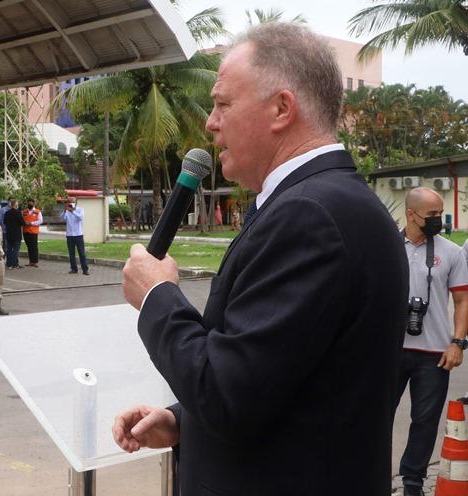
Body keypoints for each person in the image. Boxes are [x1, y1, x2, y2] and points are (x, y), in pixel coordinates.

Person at [114, 23, 409, 495]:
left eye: (223, 103)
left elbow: (227, 394)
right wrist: (181, 421)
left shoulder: (309, 216)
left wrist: (157, 297)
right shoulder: (326, 203)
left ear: (281, 109)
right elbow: (282, 377)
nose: (211, 122)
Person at [396, 187, 468, 495]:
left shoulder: (452, 252)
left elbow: (463, 300)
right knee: (375, 416)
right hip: (391, 350)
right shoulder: (388, 247)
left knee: (425, 422)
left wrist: (457, 342)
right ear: (411, 215)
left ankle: (413, 483)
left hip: (435, 353)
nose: (440, 219)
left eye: (440, 213)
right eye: (433, 215)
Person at [60, 196, 88, 275]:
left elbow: (80, 218)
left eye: (72, 201)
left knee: (82, 253)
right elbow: (62, 218)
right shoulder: (67, 211)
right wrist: (65, 210)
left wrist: (73, 211)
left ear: (76, 202)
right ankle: (73, 269)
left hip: (78, 234)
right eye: (69, 201)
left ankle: (85, 269)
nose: (70, 203)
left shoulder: (80, 209)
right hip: (69, 235)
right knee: (71, 253)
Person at [4, 199, 24, 269]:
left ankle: (9, 264)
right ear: (15, 205)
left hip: (9, 234)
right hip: (16, 234)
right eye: (17, 204)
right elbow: (23, 223)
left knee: (9, 249)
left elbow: (5, 222)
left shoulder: (7, 213)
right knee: (16, 249)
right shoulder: (18, 213)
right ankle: (15, 264)